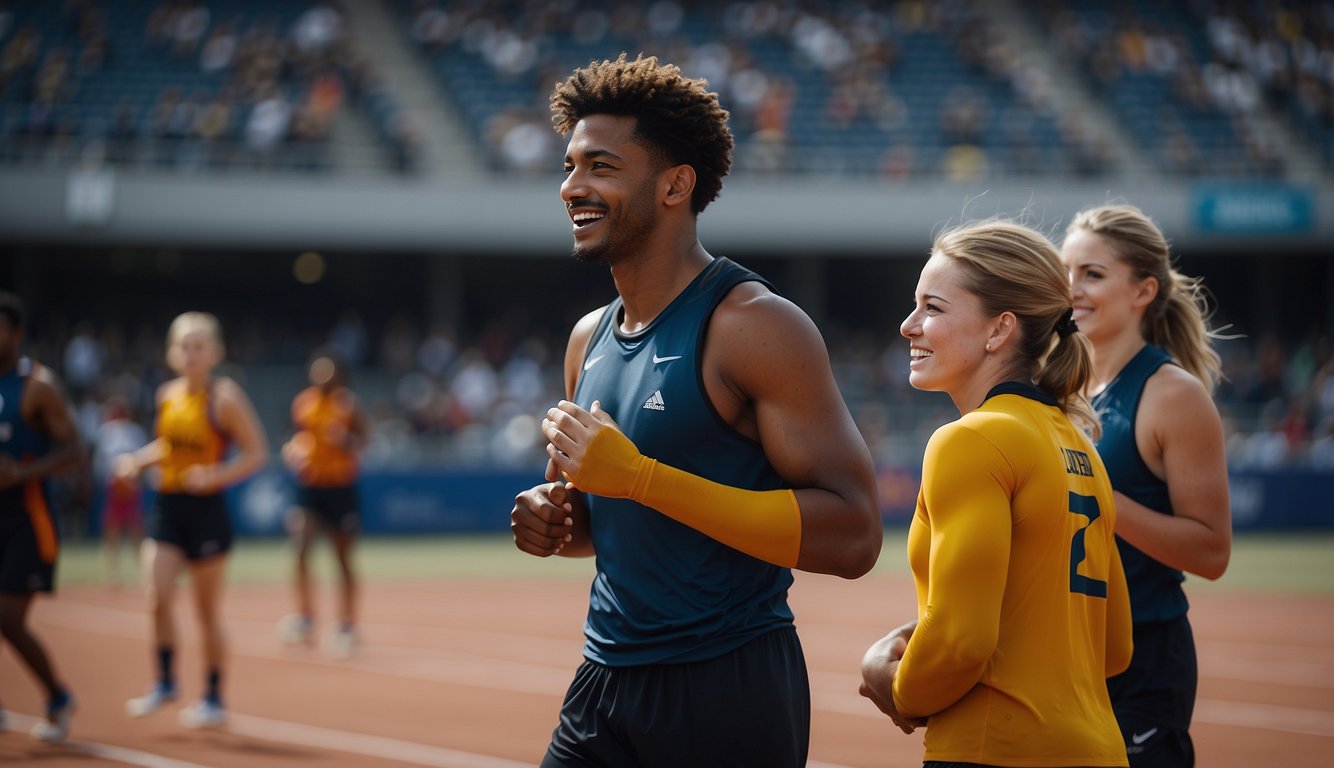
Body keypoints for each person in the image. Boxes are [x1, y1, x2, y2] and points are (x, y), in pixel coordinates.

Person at [510, 53, 881, 767]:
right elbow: (610, 516)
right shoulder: (586, 339)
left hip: (728, 684)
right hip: (603, 680)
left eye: (600, 167)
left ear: (677, 184)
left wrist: (641, 477)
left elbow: (856, 535)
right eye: (568, 166)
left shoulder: (755, 326)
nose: (571, 187)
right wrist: (559, 520)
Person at [859, 220, 1133, 767]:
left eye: (932, 308)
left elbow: (961, 641)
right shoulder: (1079, 447)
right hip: (1099, 747)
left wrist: (891, 683)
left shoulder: (971, 440)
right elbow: (1114, 646)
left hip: (996, 749)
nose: (908, 325)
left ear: (998, 329)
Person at [1062, 203, 1232, 767]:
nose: (1072, 289)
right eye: (1066, 271)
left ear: (1142, 292)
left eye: (1092, 273)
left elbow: (1211, 551)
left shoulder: (1172, 395)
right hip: (1070, 648)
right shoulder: (1067, 389)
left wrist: (1101, 500)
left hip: (1144, 657)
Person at [115, 311, 268, 729]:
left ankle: (214, 696)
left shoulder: (226, 397)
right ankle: (165, 679)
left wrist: (216, 475)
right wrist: (137, 460)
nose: (191, 353)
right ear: (171, 352)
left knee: (205, 611)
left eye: (199, 345)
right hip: (168, 502)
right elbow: (169, 444)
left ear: (215, 352)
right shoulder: (167, 394)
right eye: (184, 345)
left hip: (207, 511)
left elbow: (257, 452)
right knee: (157, 594)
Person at [0, 291, 81, 742]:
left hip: (27, 518)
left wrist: (22, 472)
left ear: (16, 334)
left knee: (8, 618)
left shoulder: (36, 386)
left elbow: (76, 450)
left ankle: (57, 696)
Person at [277, 350, 369, 657]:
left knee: (342, 558)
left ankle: (346, 623)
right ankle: (304, 616)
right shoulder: (303, 402)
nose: (323, 377)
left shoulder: (348, 404)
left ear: (339, 375)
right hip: (310, 484)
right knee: (300, 546)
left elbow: (365, 438)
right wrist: (292, 449)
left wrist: (345, 442)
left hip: (341, 487)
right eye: (318, 371)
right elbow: (294, 437)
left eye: (328, 372)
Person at [93, 395, 148, 587]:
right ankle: (111, 574)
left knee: (136, 529)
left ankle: (146, 573)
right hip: (113, 487)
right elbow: (100, 464)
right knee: (112, 529)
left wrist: (135, 479)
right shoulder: (105, 432)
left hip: (131, 486)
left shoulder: (134, 431)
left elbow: (143, 458)